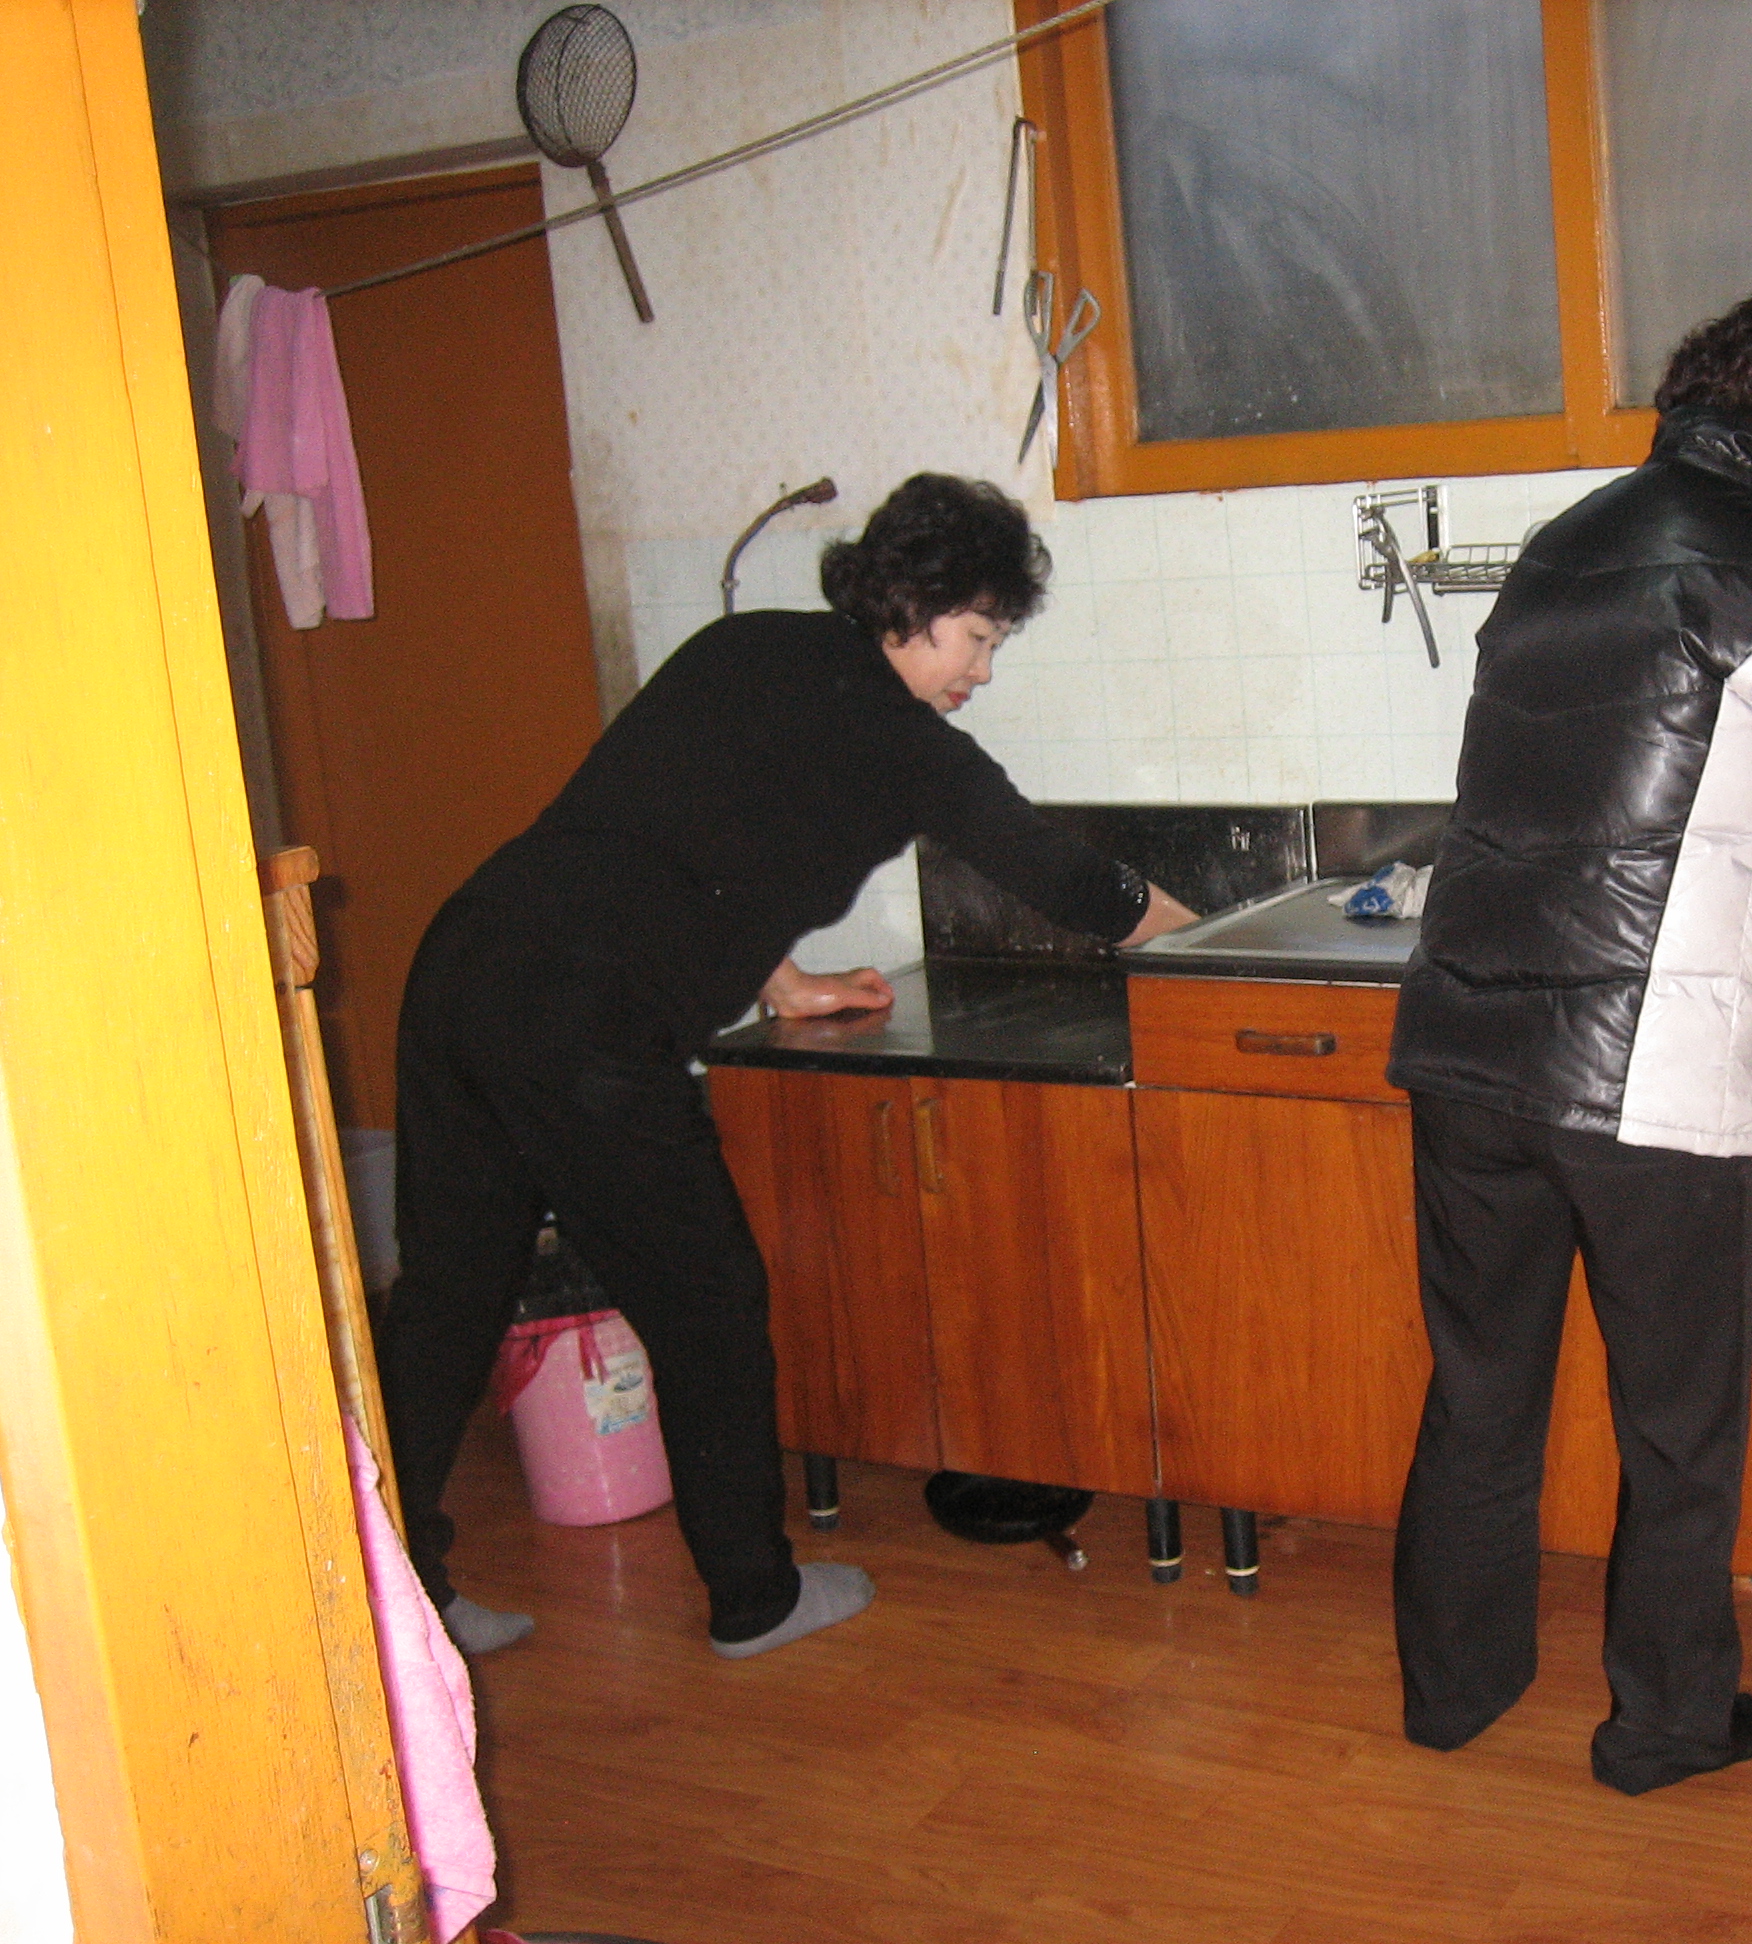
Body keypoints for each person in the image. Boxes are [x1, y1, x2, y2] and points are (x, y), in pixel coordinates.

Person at [377, 473, 1193, 1660]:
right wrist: (1216, 947)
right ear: (915, 603)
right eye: (977, 636)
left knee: (448, 1300)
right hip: (583, 1021)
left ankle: (393, 1604)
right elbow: (1069, 881)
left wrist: (784, 982)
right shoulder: (903, 745)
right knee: (706, 1302)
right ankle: (753, 1597)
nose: (981, 670)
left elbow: (679, 836)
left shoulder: (745, 648)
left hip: (470, 962)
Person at [1383, 286, 1752, 1794]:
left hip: (1467, 1045)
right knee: (1677, 1429)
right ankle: (1664, 1725)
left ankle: (1454, 1693)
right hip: (1643, 1068)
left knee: (1479, 1392)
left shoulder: (1560, 547)